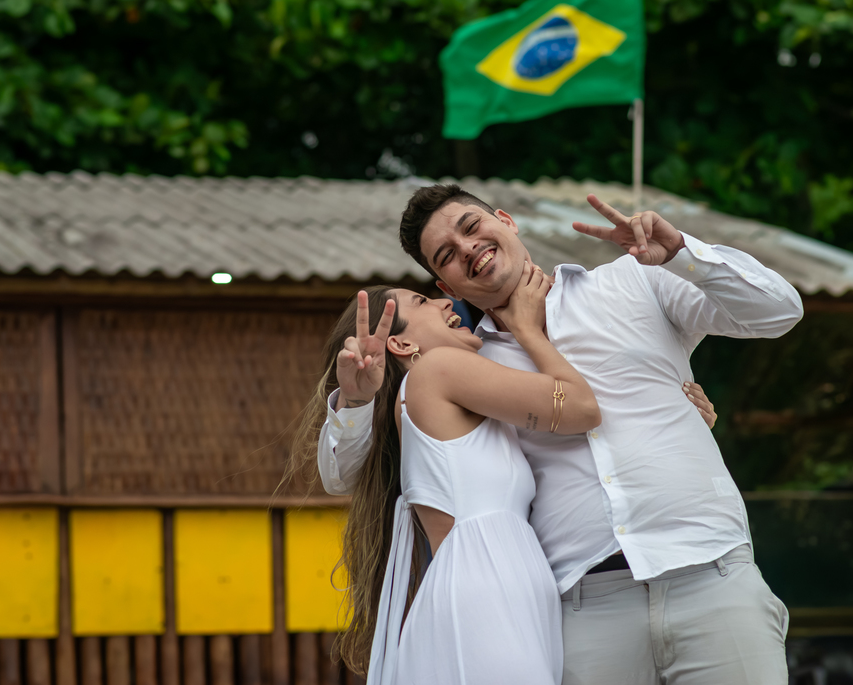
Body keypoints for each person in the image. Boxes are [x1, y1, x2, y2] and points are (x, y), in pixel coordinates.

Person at [317, 185, 804, 684]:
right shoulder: (467, 364)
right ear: (449, 287)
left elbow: (778, 311)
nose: (467, 248)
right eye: (446, 256)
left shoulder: (633, 280)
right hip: (582, 609)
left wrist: (681, 251)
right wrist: (356, 402)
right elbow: (345, 473)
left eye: (471, 226)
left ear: (506, 220)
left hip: (709, 572)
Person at [300, 264, 599, 684]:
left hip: (503, 583)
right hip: (486, 587)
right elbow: (582, 409)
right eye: (422, 301)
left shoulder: (449, 387)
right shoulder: (439, 369)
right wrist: (528, 331)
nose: (445, 303)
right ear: (402, 343)